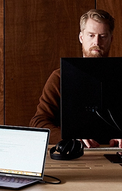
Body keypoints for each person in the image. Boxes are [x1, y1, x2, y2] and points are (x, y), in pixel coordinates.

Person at [29, 9, 122, 148]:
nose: (96, 42)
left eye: (102, 36)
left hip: (115, 154)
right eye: (91, 35)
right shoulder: (59, 77)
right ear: (81, 37)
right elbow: (38, 122)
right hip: (75, 154)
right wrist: (70, 138)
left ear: (111, 39)